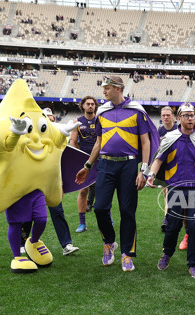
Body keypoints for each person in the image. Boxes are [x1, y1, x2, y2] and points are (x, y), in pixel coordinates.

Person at [75, 75, 157, 272]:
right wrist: (87, 166)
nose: (103, 91)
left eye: (107, 88)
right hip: (105, 165)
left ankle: (127, 254)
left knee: (127, 211)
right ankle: (109, 243)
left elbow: (145, 142)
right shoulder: (102, 112)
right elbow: (98, 142)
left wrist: (143, 171)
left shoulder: (136, 111)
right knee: (101, 208)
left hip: (129, 167)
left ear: (118, 88)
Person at [147, 103, 195, 279]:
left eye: (192, 115)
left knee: (194, 228)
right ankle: (167, 254)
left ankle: (193, 264)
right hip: (176, 189)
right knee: (172, 226)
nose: (190, 118)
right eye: (186, 115)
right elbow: (159, 158)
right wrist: (151, 174)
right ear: (179, 118)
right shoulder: (170, 138)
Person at [22, 107, 80, 257]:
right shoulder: (33, 139)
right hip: (34, 182)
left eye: (52, 117)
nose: (50, 119)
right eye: (47, 117)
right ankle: (22, 243)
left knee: (58, 212)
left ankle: (66, 244)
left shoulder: (57, 140)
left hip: (52, 182)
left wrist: (60, 184)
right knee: (29, 214)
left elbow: (60, 164)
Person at [70, 96, 99, 233]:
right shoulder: (77, 122)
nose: (90, 106)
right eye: (88, 104)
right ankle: (82, 223)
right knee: (83, 191)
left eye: (92, 104)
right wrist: (77, 157)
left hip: (100, 159)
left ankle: (107, 218)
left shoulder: (100, 120)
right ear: (83, 106)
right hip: (84, 160)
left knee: (104, 190)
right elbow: (73, 141)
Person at [158, 106, 178, 232]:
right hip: (165, 167)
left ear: (173, 116)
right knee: (167, 193)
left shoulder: (178, 129)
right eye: (163, 115)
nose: (166, 117)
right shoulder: (159, 131)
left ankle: (173, 217)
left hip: (178, 165)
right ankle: (167, 217)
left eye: (168, 115)